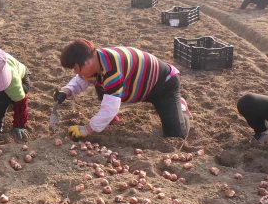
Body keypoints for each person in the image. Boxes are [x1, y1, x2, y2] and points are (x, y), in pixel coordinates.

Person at [54, 39, 191, 140]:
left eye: (76, 69)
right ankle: (108, 120)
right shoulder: (95, 61)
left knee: (176, 135)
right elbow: (80, 80)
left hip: (164, 85)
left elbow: (111, 107)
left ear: (87, 62)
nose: (76, 73)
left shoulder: (112, 68)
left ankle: (181, 106)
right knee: (98, 82)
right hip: (141, 85)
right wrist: (66, 91)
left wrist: (87, 129)